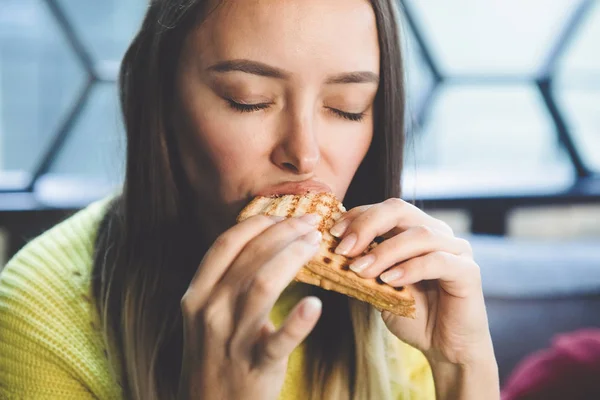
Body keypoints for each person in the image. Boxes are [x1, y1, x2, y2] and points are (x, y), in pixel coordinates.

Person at [0, 0, 499, 399]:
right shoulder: (40, 316)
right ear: (161, 100)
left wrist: (462, 367)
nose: (303, 155)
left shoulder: (395, 301)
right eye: (248, 99)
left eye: (348, 108)